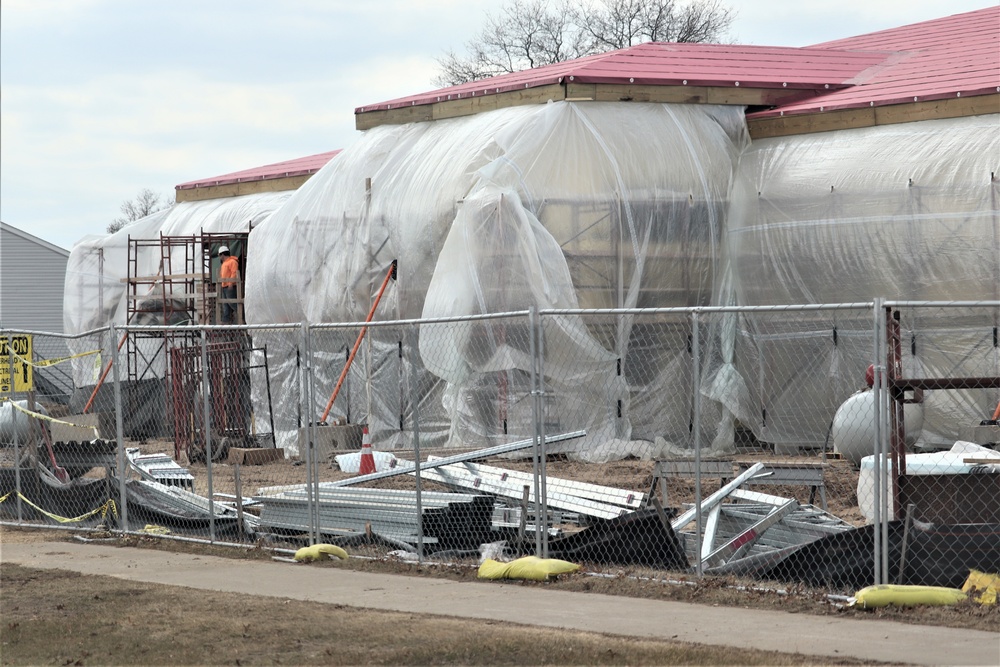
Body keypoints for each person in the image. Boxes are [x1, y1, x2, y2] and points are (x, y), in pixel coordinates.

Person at [218, 246, 239, 324]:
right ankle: (226, 320)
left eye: (220, 255)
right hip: (224, 286)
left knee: (232, 303)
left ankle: (242, 316)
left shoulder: (232, 262)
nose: (219, 257)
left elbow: (234, 273)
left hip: (230, 286)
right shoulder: (224, 263)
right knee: (225, 304)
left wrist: (230, 283)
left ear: (223, 254)